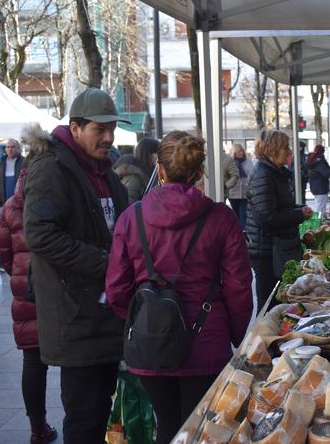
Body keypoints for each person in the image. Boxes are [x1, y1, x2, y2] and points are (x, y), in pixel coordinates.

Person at [105, 132, 253, 444]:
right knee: (201, 429)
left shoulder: (131, 218)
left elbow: (117, 288)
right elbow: (239, 286)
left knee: (168, 423)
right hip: (206, 342)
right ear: (200, 173)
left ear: (159, 170)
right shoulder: (222, 219)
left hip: (150, 342)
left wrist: (138, 323)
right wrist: (237, 336)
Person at [23, 88, 130, 444]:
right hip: (75, 317)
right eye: (99, 129)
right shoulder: (52, 168)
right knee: (84, 419)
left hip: (106, 313)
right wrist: (104, 262)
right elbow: (39, 234)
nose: (108, 136)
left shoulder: (106, 171)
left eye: (111, 128)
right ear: (76, 127)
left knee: (101, 410)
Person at [0, 130, 58, 444]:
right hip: (56, 289)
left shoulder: (10, 207)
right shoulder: (56, 195)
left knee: (32, 362)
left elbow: (4, 255)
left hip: (26, 291)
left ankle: (37, 429)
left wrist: (20, 277)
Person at [246, 130, 313, 311]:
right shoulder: (263, 174)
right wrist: (299, 214)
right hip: (268, 251)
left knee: (279, 302)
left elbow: (280, 206)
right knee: (269, 304)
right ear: (272, 149)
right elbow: (267, 217)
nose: (289, 151)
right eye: (285, 147)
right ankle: (265, 338)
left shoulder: (275, 172)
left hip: (278, 247)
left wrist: (299, 208)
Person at [114, 137, 160, 204]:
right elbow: (128, 204)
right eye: (158, 153)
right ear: (150, 154)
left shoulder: (143, 173)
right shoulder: (135, 178)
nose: (159, 157)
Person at [0, 138, 24, 209]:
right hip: (4, 204)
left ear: (18, 148)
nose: (10, 149)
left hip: (20, 204)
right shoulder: (2, 163)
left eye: (13, 147)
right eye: (8, 147)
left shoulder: (24, 162)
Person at [228, 143, 254, 229]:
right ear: (234, 152)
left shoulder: (248, 162)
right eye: (239, 151)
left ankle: (243, 233)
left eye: (242, 151)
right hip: (233, 194)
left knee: (243, 214)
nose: (241, 153)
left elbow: (252, 175)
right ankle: (237, 232)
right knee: (236, 215)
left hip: (245, 194)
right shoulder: (230, 163)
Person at [308, 144, 330, 214]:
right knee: (320, 208)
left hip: (314, 186)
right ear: (323, 151)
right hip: (321, 187)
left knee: (318, 205)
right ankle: (318, 223)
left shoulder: (312, 159)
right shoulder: (320, 161)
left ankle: (319, 221)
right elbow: (326, 173)